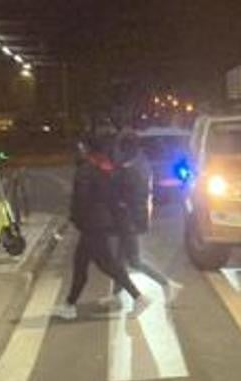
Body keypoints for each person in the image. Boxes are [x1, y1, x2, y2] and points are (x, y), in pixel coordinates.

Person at [54, 135, 151, 321]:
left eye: (82, 146)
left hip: (92, 224)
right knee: (82, 264)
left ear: (88, 150)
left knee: (105, 265)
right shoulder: (103, 169)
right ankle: (69, 305)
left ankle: (138, 297)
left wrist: (76, 218)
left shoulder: (86, 171)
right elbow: (110, 198)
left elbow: (82, 200)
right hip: (98, 223)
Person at [109, 129, 180, 303]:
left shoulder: (131, 169)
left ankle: (167, 284)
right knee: (119, 260)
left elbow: (125, 195)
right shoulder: (140, 163)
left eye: (120, 147)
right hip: (132, 218)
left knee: (134, 261)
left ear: (125, 148)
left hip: (130, 219)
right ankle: (117, 295)